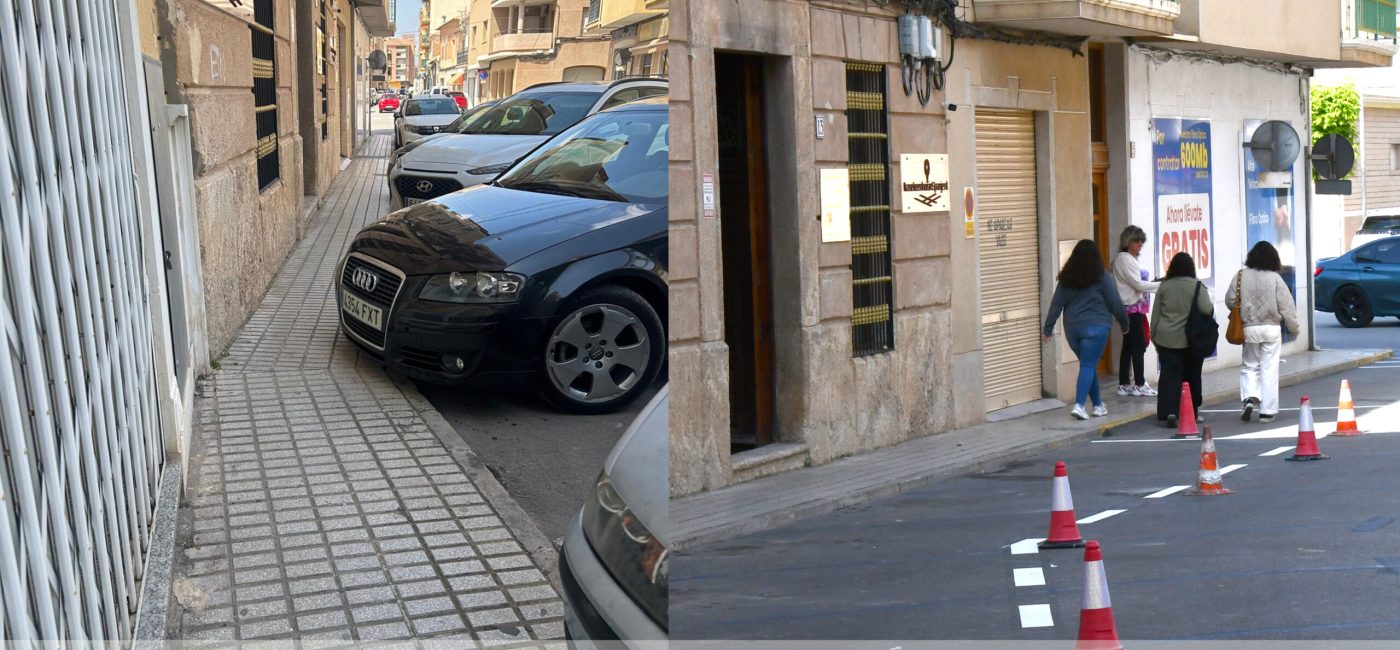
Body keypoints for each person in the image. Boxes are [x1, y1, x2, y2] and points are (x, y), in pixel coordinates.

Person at [1043, 240, 1130, 420]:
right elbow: (1114, 302)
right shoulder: (1102, 276)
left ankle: (1098, 405)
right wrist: (1125, 323)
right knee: (1088, 366)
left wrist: (1048, 328)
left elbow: (1056, 304)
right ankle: (1080, 405)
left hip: (1073, 330)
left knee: (1088, 367)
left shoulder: (1067, 278)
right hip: (1097, 328)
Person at [1226, 241, 1300, 423]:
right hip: (1271, 328)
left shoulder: (1240, 276)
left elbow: (1230, 301)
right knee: (1269, 369)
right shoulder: (1275, 278)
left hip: (1249, 327)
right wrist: (1294, 328)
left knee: (1250, 365)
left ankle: (1250, 397)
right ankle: (1267, 411)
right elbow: (1287, 306)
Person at [1151, 252, 1214, 428]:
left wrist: (1155, 338)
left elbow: (1155, 316)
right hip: (1191, 339)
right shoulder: (1197, 286)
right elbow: (1207, 309)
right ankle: (1191, 410)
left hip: (1166, 338)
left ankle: (1169, 411)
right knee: (1192, 376)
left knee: (1169, 376)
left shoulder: (1164, 287)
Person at [1111, 226, 1160, 397]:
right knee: (1138, 345)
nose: (1140, 244)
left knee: (1129, 346)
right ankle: (1139, 383)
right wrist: (1161, 285)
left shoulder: (1128, 259)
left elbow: (1138, 283)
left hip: (1131, 307)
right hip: (1131, 308)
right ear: (1127, 241)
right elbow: (1137, 284)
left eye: (1141, 240)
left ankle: (1124, 383)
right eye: (1136, 240)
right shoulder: (1124, 259)